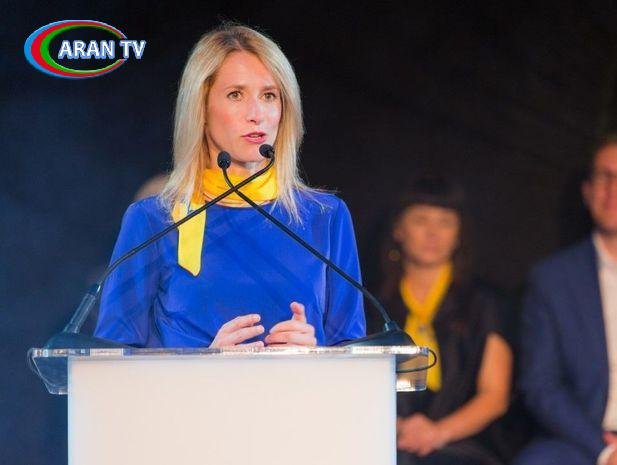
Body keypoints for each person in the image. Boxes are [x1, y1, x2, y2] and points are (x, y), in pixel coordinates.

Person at [94, 24, 365, 348]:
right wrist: (206, 365)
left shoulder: (325, 216)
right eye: (236, 95)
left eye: (269, 96)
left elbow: (356, 358)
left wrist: (314, 354)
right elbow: (114, 360)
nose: (256, 114)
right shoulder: (154, 220)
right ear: (201, 109)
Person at [370, 175, 513, 465]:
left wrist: (437, 433)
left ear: (459, 233)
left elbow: (495, 396)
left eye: (445, 222)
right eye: (420, 220)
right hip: (387, 435)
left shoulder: (485, 302)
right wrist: (399, 427)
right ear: (398, 228)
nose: (432, 233)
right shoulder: (371, 303)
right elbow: (355, 386)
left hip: (463, 443)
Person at [515, 134, 617, 465]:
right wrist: (606, 451)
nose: (613, 190)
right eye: (604, 176)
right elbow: (540, 384)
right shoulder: (552, 279)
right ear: (587, 191)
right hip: (585, 440)